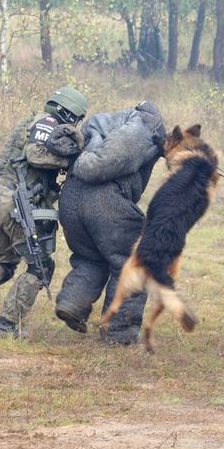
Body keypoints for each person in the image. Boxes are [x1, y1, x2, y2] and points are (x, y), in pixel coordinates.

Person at [0, 86, 88, 337]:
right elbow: (36, 155)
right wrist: (70, 162)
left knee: (2, 260)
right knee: (41, 267)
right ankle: (7, 325)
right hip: (16, 200)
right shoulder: (48, 122)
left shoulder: (30, 120)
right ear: (69, 114)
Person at [53, 101, 166, 345]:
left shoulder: (104, 120)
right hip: (103, 200)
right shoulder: (146, 126)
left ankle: (72, 303)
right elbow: (98, 166)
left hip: (70, 199)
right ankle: (119, 334)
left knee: (90, 258)